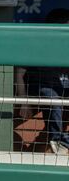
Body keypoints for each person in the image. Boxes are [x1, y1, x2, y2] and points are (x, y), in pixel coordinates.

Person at [15, 8, 69, 156]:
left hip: (58, 84)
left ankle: (63, 140)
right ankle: (58, 142)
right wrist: (24, 101)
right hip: (36, 85)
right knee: (53, 100)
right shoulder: (37, 42)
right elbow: (19, 74)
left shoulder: (66, 45)